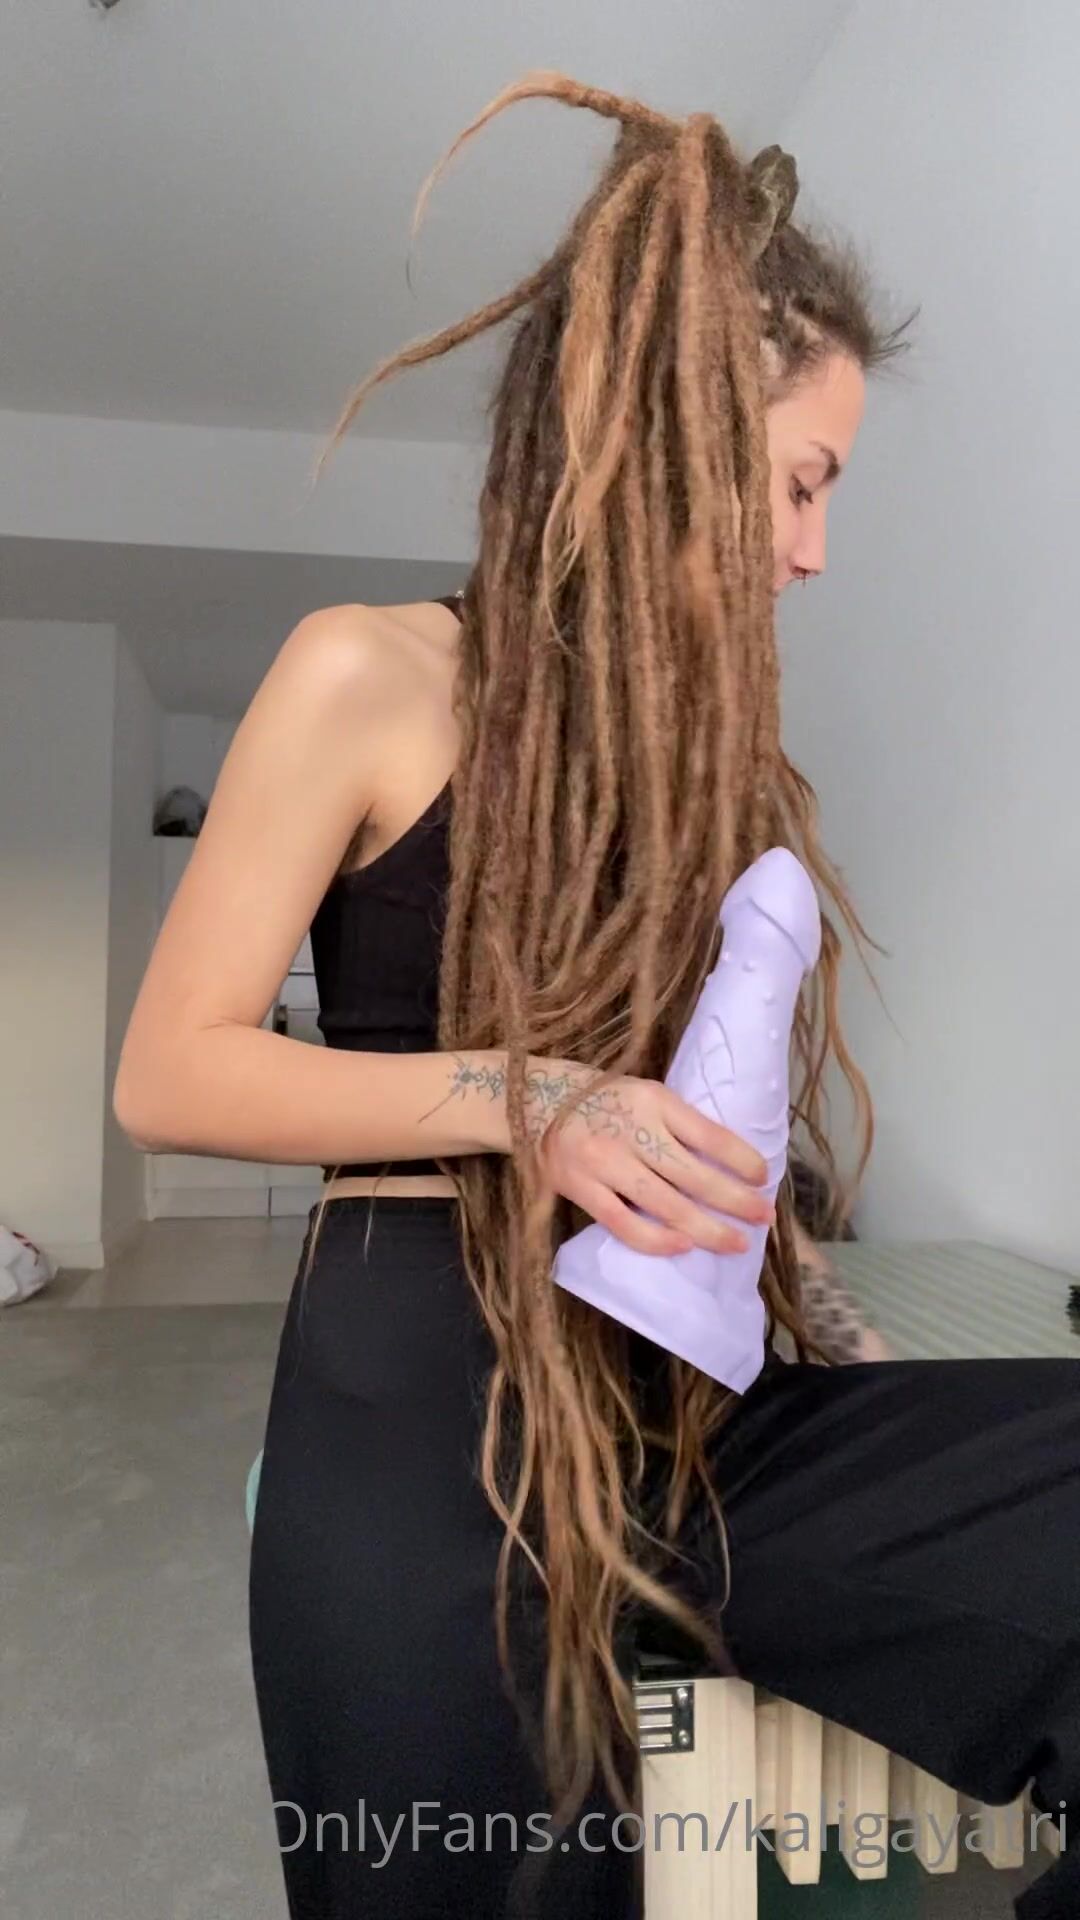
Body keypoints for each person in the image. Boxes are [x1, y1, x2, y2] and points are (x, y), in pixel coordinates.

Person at [115, 72, 1078, 1920]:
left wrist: (818, 1312)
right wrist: (532, 1097)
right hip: (427, 1382)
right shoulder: (367, 674)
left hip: (693, 1408)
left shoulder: (714, 774)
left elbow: (709, 1127)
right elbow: (172, 1072)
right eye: (803, 482)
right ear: (669, 423)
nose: (815, 550)